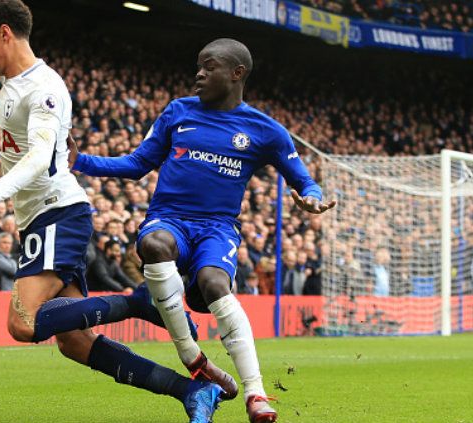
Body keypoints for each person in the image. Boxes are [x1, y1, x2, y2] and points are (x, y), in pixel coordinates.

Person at [0, 2, 221, 422]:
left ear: (4, 32)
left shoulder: (43, 87)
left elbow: (42, 156)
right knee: (75, 343)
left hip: (58, 213)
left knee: (23, 324)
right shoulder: (11, 89)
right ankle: (192, 390)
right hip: (39, 220)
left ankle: (138, 302)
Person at [68, 38, 336, 422]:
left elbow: (303, 179)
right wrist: (83, 161)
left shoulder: (266, 131)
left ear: (236, 74)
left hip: (218, 229)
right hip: (171, 218)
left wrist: (310, 196)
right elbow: (137, 163)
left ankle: (256, 395)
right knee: (154, 244)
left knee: (213, 283)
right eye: (198, 66)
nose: (199, 74)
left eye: (209, 67)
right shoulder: (178, 112)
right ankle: (193, 357)